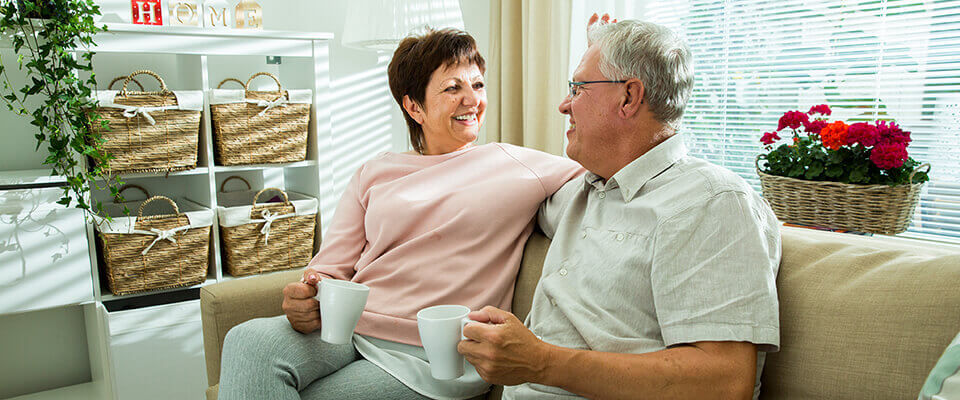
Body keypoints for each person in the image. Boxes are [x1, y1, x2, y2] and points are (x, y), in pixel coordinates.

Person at [217, 28, 584, 400]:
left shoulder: (514, 164)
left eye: (477, 85)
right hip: (350, 331)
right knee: (246, 340)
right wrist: (304, 297)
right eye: (453, 88)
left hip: (434, 355)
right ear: (414, 107)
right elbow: (328, 269)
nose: (471, 99)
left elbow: (597, 179)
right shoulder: (374, 172)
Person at [457, 16, 781, 400]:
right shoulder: (582, 190)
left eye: (577, 89)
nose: (564, 105)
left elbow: (725, 382)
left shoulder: (712, 203)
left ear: (629, 97)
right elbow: (503, 196)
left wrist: (542, 361)